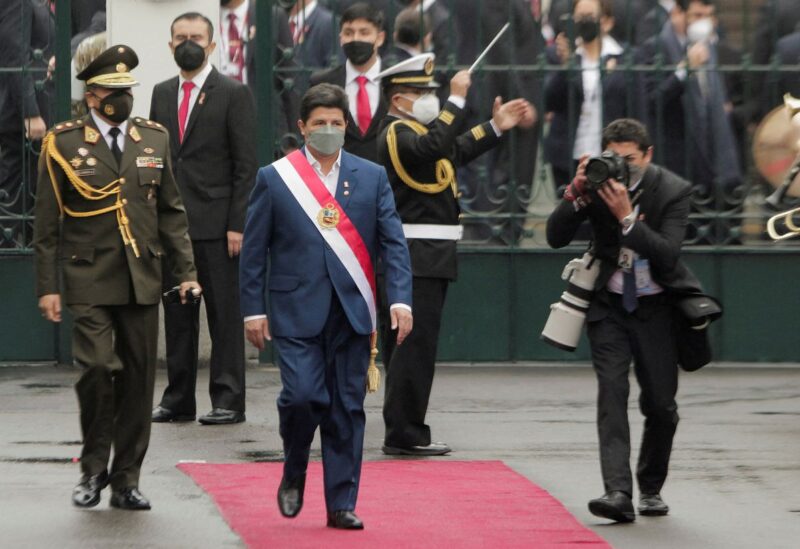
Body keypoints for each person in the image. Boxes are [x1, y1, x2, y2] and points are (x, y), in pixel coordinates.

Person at [239, 83, 413, 529]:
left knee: (345, 408)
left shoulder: (371, 177)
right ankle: (294, 467)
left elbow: (393, 244)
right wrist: (252, 310)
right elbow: (255, 251)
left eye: (337, 123)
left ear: (347, 126)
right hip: (295, 309)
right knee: (302, 397)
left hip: (353, 310)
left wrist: (400, 300)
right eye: (320, 123)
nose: (329, 130)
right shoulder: (276, 178)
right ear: (302, 127)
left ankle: (341, 503)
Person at [33, 45, 199, 510]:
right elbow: (47, 224)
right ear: (92, 95)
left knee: (139, 380)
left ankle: (126, 479)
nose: (123, 99)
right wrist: (47, 285)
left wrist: (185, 272)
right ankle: (91, 470)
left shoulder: (154, 139)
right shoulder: (64, 142)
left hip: (141, 275)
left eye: (128, 90)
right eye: (113, 91)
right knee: (98, 370)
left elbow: (171, 212)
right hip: (87, 275)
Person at [546, 118, 706, 522]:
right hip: (610, 304)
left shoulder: (672, 190)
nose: (621, 166)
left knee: (661, 404)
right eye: (613, 157)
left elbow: (668, 253)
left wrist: (627, 219)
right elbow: (554, 235)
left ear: (648, 155)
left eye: (630, 159)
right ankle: (617, 492)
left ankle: (650, 486)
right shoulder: (597, 182)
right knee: (611, 392)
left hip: (657, 308)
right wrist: (577, 192)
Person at [376, 54, 534, 455]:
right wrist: (456, 100)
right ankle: (405, 432)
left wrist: (496, 126)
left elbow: (453, 150)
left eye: (432, 91)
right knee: (414, 347)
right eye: (420, 92)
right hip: (414, 252)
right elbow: (435, 147)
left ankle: (403, 426)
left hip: (431, 252)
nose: (430, 98)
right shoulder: (396, 132)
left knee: (413, 347)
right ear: (397, 100)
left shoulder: (420, 133)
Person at [149, 12, 256, 426]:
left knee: (224, 317)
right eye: (181, 37)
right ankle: (178, 399)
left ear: (212, 45)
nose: (188, 43)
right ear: (170, 43)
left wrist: (238, 223)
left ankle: (228, 399)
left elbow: (246, 165)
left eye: (196, 37)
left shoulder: (232, 93)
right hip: (174, 230)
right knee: (177, 316)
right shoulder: (160, 93)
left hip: (219, 228)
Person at [638, 0, 741, 193]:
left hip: (708, 156)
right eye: (697, 15)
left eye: (708, 15)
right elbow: (653, 100)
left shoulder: (707, 48)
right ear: (677, 13)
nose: (704, 23)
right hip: (675, 159)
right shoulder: (655, 48)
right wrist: (685, 70)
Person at [544, 0, 642, 189]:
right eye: (579, 17)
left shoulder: (625, 56)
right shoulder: (559, 53)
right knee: (569, 211)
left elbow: (636, 106)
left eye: (589, 17)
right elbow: (550, 101)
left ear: (606, 21)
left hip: (610, 154)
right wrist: (566, 67)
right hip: (569, 153)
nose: (584, 22)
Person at [0, 0, 54, 248]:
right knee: (13, 199)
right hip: (20, 121)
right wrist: (30, 113)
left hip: (34, 113)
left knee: (33, 193)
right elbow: (14, 54)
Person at [310, 3, 388, 164]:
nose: (356, 39)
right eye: (349, 33)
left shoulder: (395, 81)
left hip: (390, 181)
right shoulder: (322, 82)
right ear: (340, 39)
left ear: (379, 38)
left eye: (364, 32)